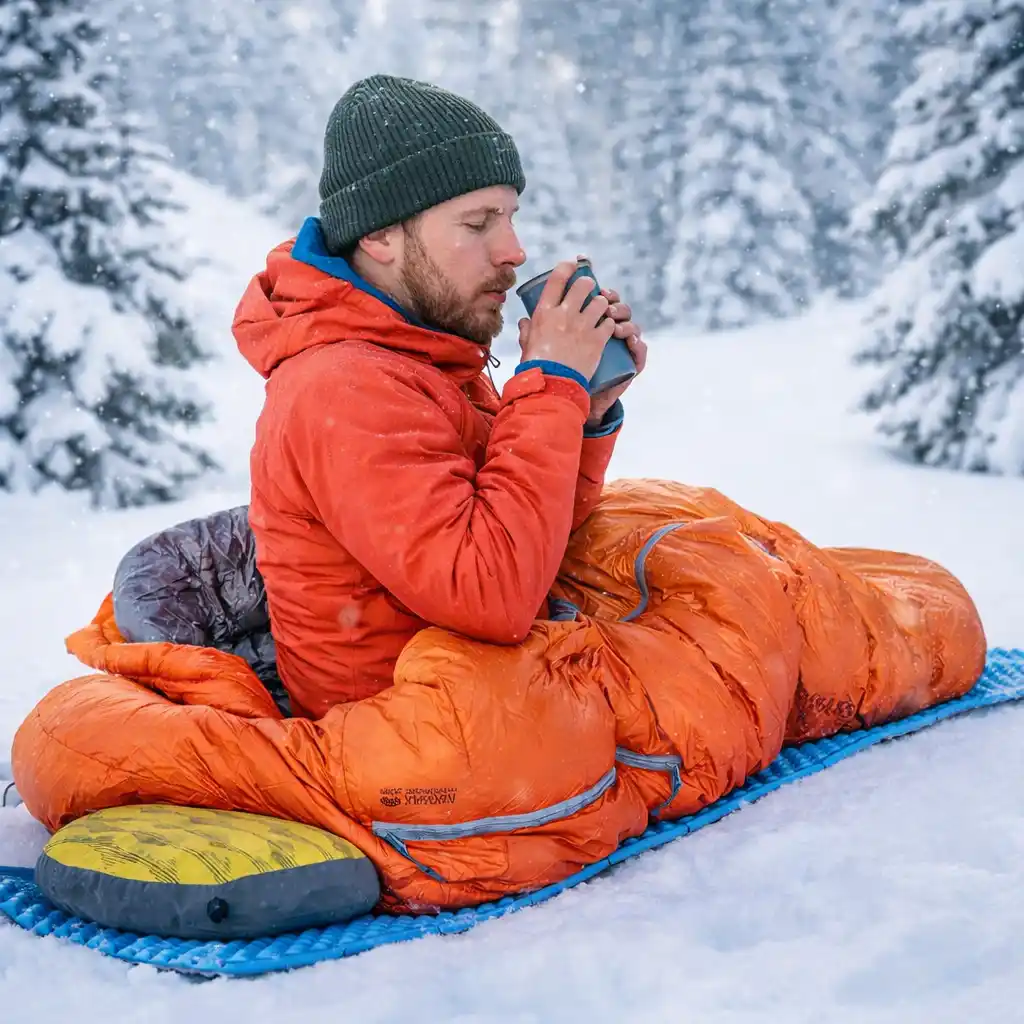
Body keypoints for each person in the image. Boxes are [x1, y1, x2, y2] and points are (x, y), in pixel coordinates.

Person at [232, 74, 647, 718]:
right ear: (379, 237)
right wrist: (549, 387)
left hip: (473, 692)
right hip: (415, 732)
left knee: (718, 570)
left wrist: (583, 415)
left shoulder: (421, 348)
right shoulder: (343, 385)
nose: (514, 250)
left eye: (511, 218)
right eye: (479, 222)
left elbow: (531, 543)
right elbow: (494, 595)